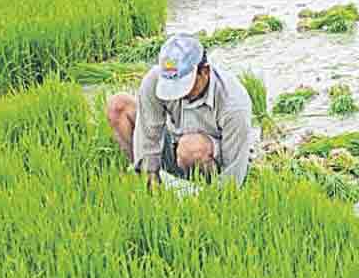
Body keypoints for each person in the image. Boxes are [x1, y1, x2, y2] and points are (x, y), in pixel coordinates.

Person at [105, 34, 255, 188]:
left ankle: (203, 187)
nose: (179, 94)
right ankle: (147, 182)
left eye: (184, 86)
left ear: (205, 72)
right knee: (118, 106)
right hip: (175, 144)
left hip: (215, 157)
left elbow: (234, 172)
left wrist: (217, 200)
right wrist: (150, 178)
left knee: (190, 148)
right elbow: (148, 134)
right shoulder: (155, 80)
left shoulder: (233, 103)